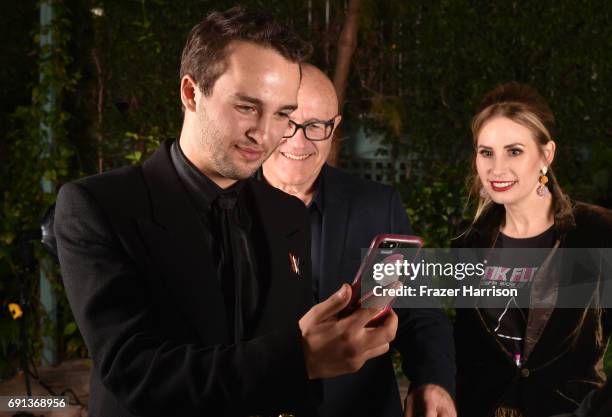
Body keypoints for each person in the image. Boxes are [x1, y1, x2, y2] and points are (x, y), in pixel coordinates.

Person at [54, 8, 398, 417]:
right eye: (247, 107)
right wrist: (299, 355)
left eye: (283, 114)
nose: (266, 134)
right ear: (190, 92)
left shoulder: (288, 214)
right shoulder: (97, 206)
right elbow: (135, 373)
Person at [261, 64, 456, 417]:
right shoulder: (222, 205)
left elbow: (419, 312)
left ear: (334, 128)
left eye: (315, 126)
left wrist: (433, 380)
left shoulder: (377, 205)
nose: (298, 140)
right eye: (287, 121)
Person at [452, 82, 612, 417]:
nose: (497, 169)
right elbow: (465, 356)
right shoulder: (467, 242)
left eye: (514, 151)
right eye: (486, 152)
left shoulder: (597, 233)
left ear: (546, 154)